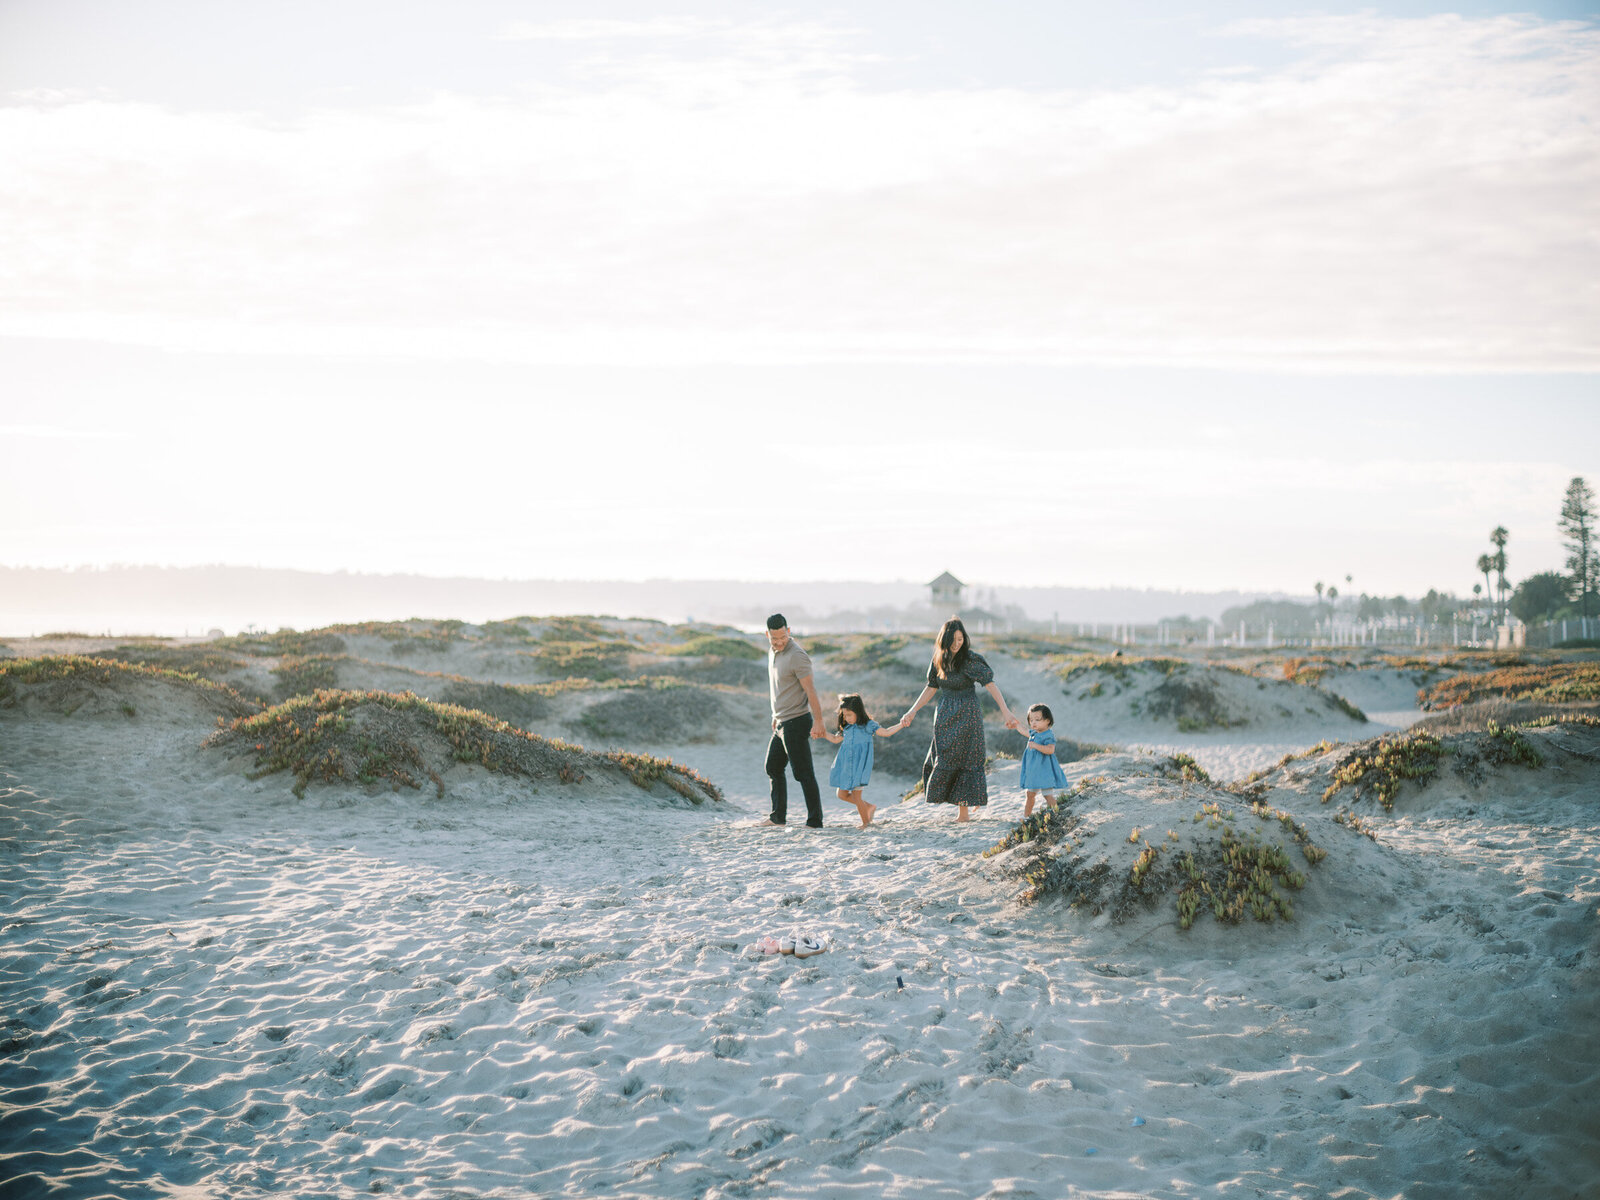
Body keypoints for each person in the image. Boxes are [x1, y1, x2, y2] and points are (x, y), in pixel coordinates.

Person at [898, 617, 1020, 821]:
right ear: (944, 640)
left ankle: (963, 813)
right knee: (946, 757)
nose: (957, 643)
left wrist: (1006, 712)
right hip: (945, 713)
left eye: (960, 639)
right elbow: (931, 687)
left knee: (967, 758)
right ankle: (961, 808)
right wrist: (912, 711)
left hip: (968, 713)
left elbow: (990, 684)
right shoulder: (939, 660)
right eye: (953, 639)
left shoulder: (970, 660)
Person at [763, 613, 826, 827]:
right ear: (767, 635)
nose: (779, 642)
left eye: (782, 637)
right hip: (780, 722)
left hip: (797, 721)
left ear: (788, 631)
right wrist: (774, 716)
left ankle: (815, 821)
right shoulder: (773, 652)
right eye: (774, 638)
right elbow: (779, 688)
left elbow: (811, 691)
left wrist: (819, 721)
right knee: (773, 767)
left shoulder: (797, 655)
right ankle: (777, 817)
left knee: (803, 773)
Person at [820, 693, 906, 828]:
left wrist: (901, 724)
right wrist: (823, 733)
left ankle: (866, 823)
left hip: (859, 766)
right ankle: (869, 807)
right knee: (841, 794)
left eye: (849, 715)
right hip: (846, 765)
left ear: (858, 712)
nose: (846, 718)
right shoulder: (847, 728)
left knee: (856, 795)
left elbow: (886, 732)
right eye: (844, 715)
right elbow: (836, 739)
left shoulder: (868, 725)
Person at [1017, 702, 1068, 817]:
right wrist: (1015, 724)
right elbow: (1024, 730)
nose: (1033, 723)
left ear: (1047, 721)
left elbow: (1050, 750)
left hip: (1045, 770)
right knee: (1030, 794)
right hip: (1034, 771)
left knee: (1047, 794)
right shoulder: (1034, 733)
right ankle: (1026, 817)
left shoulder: (1048, 735)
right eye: (1031, 720)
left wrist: (1035, 746)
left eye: (1037, 719)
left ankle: (1057, 814)